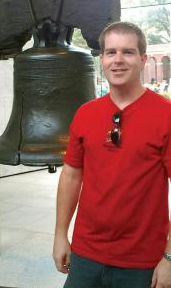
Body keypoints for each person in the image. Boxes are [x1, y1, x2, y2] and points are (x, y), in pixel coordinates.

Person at [53, 21, 171, 288]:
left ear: (142, 60)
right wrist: (61, 234)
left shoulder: (166, 115)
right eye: (111, 52)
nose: (118, 60)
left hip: (142, 262)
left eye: (128, 52)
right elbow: (71, 175)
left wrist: (170, 257)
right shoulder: (85, 114)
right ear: (102, 60)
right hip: (85, 255)